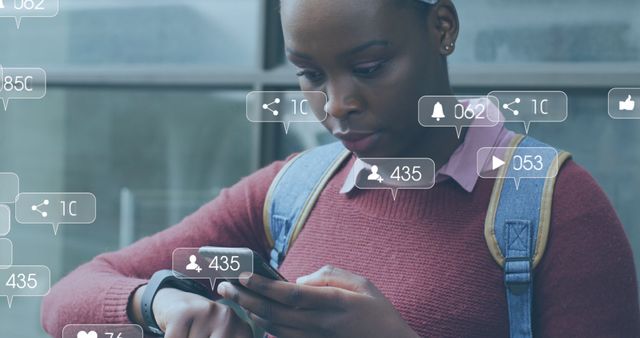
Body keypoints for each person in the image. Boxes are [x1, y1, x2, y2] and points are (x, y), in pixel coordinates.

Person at [41, 0, 640, 337]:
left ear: (443, 27)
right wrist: (164, 304)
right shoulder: (291, 191)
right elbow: (67, 299)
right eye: (310, 74)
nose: (336, 105)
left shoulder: (555, 206)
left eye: (371, 66)